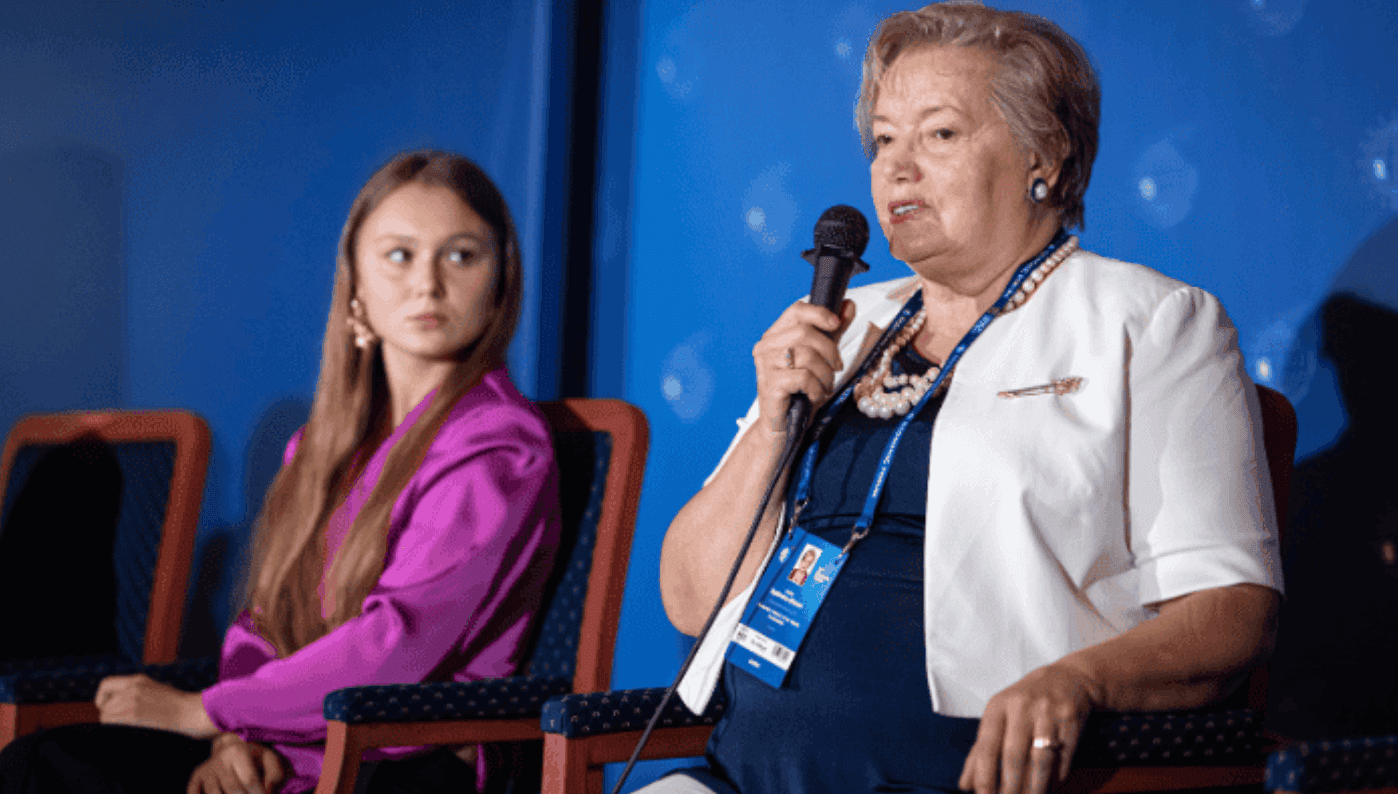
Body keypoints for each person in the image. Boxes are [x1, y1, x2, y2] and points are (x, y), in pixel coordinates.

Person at [653, 4, 1282, 794]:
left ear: (1042, 153)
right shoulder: (847, 322)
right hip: (742, 775)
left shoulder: (1147, 322)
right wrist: (774, 424)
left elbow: (1231, 612)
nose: (896, 168)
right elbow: (688, 599)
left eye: (939, 134)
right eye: (884, 140)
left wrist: (1077, 682)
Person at [0, 151, 561, 794]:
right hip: (289, 741)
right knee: (40, 765)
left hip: (399, 759)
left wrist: (206, 711)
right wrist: (236, 738)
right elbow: (262, 622)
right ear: (355, 283)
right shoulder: (320, 446)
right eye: (400, 255)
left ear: (502, 278)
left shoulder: (499, 446)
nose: (428, 284)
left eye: (461, 255)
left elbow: (395, 646)